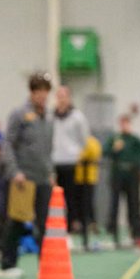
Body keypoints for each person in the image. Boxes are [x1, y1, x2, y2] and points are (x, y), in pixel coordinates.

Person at [0, 72, 54, 279]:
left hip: (42, 177)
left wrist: (50, 172)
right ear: (31, 93)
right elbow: (8, 144)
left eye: (45, 92)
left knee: (44, 222)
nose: (41, 96)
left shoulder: (48, 117)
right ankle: (7, 264)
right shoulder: (19, 114)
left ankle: (46, 264)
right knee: (17, 220)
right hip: (23, 178)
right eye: (38, 91)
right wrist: (14, 172)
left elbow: (48, 148)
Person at [51, 85, 90, 232]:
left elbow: (84, 139)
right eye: (59, 96)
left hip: (71, 162)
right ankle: (57, 225)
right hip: (54, 161)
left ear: (69, 98)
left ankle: (72, 224)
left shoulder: (77, 117)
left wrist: (76, 152)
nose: (61, 99)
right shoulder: (50, 116)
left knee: (72, 196)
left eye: (64, 96)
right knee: (55, 196)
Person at [104, 113, 140, 248]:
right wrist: (114, 149)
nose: (124, 125)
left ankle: (134, 231)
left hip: (131, 175)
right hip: (118, 174)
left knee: (133, 203)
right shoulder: (115, 138)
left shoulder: (134, 139)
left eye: (127, 123)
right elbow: (105, 152)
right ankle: (113, 230)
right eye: (122, 123)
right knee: (115, 203)